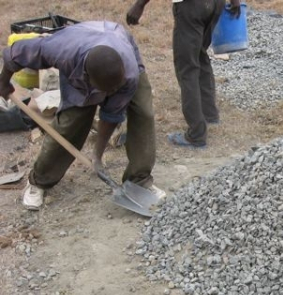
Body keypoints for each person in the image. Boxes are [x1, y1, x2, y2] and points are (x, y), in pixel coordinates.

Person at [0, 20, 165, 211]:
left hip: (118, 47)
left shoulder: (127, 75)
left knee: (143, 113)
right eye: (106, 91)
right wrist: (3, 81)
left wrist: (97, 156)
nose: (111, 93)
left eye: (114, 89)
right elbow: (15, 53)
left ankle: (139, 180)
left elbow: (111, 114)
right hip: (78, 57)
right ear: (88, 79)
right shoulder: (58, 50)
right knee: (70, 124)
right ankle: (39, 181)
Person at [126, 0, 242, 148]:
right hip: (215, 4)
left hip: (192, 7)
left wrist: (140, 5)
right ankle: (209, 114)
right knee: (200, 54)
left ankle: (196, 135)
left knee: (187, 67)